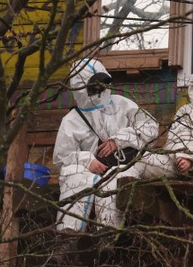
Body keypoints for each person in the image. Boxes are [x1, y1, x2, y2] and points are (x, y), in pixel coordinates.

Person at [53, 58, 172, 232]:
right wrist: (87, 161)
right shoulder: (71, 121)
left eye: (103, 83)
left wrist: (120, 140)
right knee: (75, 175)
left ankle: (108, 233)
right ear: (81, 89)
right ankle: (69, 235)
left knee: (116, 178)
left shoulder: (121, 104)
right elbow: (62, 157)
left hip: (131, 164)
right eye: (95, 86)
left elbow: (150, 127)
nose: (100, 90)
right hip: (93, 175)